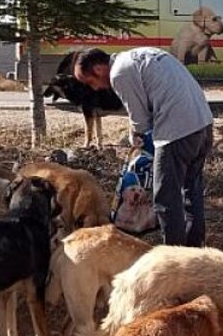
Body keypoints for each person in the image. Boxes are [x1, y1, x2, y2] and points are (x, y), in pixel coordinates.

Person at [74, 47, 214, 247]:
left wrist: (135, 139)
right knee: (190, 193)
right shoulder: (142, 54)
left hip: (177, 132)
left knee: (166, 200)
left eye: (90, 82)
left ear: (98, 69)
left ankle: (173, 261)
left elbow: (140, 121)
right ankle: (195, 252)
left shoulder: (119, 72)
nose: (95, 88)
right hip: (203, 125)